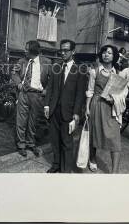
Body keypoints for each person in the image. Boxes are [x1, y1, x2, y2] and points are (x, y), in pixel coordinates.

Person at [44, 39, 87, 173]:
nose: (63, 53)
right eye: (61, 50)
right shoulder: (56, 67)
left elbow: (80, 94)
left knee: (67, 142)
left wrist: (76, 114)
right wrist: (46, 106)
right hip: (54, 110)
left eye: (66, 50)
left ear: (73, 51)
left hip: (68, 112)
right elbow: (50, 88)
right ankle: (56, 164)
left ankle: (65, 170)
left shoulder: (80, 69)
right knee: (55, 141)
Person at [85, 45, 127, 173]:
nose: (106, 54)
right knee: (94, 134)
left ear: (114, 56)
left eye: (109, 53)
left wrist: (115, 98)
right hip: (97, 105)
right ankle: (92, 159)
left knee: (115, 138)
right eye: (104, 52)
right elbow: (90, 91)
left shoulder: (118, 73)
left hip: (112, 108)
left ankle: (114, 172)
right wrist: (87, 108)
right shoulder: (94, 71)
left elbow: (124, 91)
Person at [11, 40, 51, 157]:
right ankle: (21, 145)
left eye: (26, 49)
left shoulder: (47, 62)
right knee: (21, 121)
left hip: (37, 95)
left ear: (32, 51)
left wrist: (46, 90)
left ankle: (31, 143)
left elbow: (52, 79)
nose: (24, 51)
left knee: (33, 121)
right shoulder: (22, 61)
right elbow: (14, 72)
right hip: (24, 93)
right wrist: (18, 83)